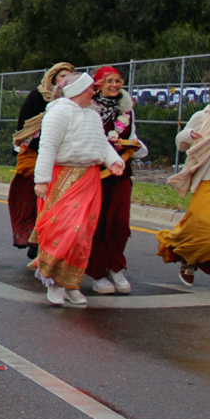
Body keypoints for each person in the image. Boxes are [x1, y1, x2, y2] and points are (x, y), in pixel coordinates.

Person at [32, 72, 125, 306]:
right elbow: (48, 146)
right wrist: (41, 180)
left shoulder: (93, 116)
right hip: (64, 177)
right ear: (79, 91)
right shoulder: (59, 112)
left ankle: (70, 283)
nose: (95, 92)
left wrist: (113, 161)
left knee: (83, 233)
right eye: (91, 88)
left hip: (89, 178)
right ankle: (53, 280)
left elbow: (101, 143)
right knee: (65, 230)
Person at [158, 73, 210, 287]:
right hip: (209, 180)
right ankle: (186, 255)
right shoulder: (202, 115)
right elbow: (181, 141)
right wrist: (189, 136)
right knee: (209, 228)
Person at [86, 66, 148, 295]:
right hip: (95, 174)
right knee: (98, 222)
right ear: (98, 84)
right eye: (108, 81)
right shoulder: (89, 109)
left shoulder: (127, 110)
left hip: (121, 173)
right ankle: (98, 272)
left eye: (117, 81)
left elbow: (137, 143)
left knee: (120, 223)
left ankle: (115, 266)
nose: (114, 85)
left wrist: (130, 146)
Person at [9, 63, 74, 258]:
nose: (65, 80)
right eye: (62, 76)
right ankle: (35, 241)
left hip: (63, 158)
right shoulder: (37, 97)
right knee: (37, 200)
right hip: (37, 155)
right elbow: (24, 127)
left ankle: (54, 244)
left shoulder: (76, 101)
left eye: (70, 77)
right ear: (53, 78)